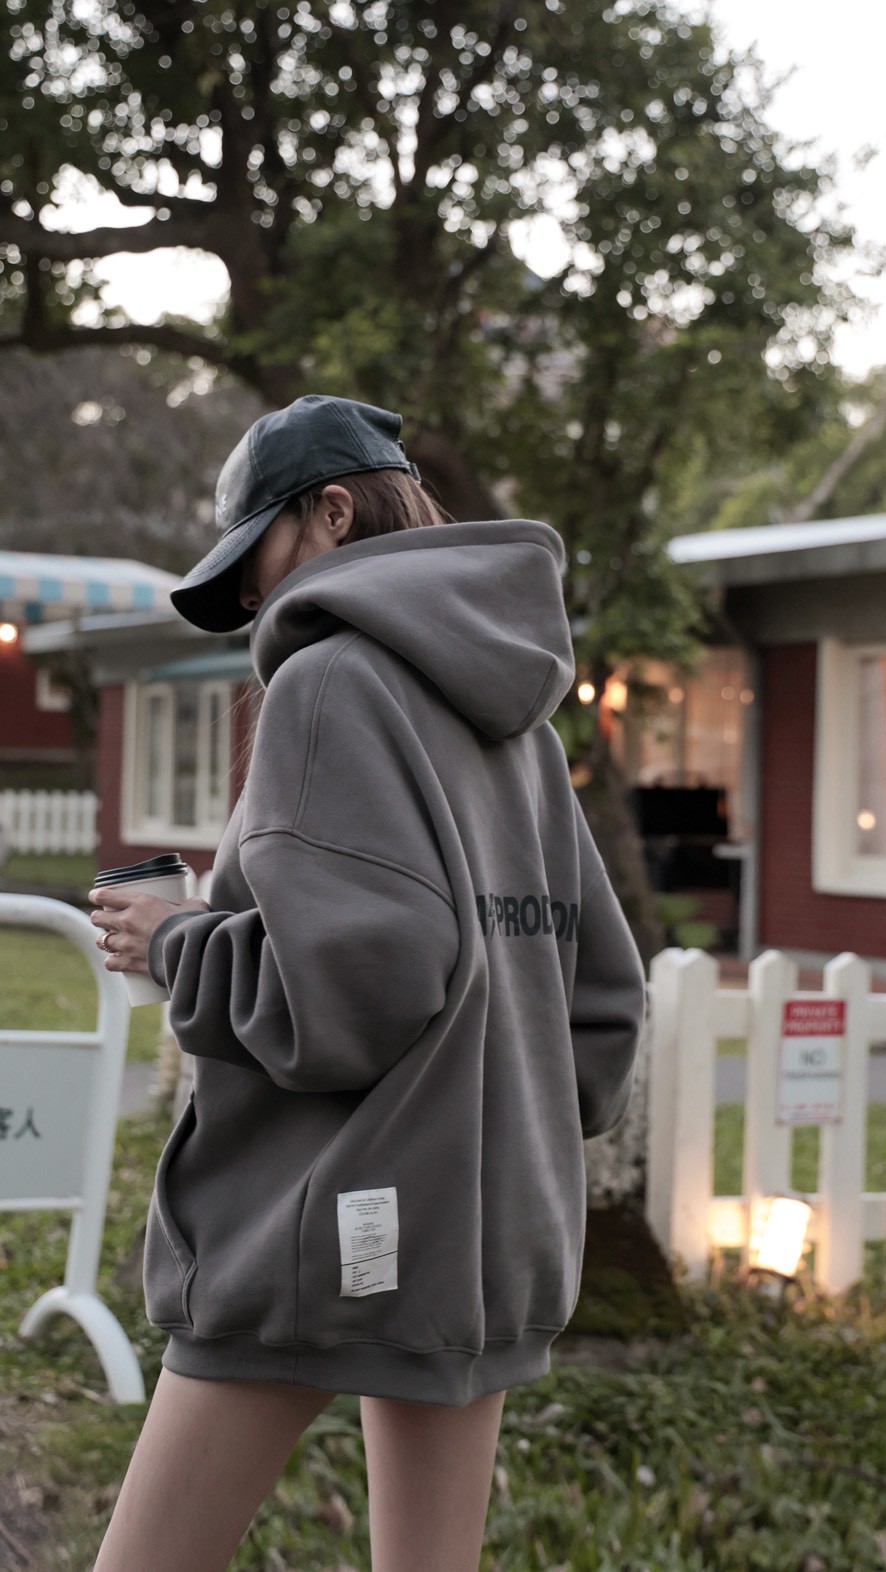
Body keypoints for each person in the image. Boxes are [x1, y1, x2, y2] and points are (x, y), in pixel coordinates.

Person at [89, 395, 646, 1572]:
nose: (252, 598)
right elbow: (599, 999)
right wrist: (506, 1135)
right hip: (484, 1239)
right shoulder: (519, 721)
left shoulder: (329, 680)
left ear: (332, 512)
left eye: (255, 556)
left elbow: (347, 998)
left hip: (310, 1227)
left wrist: (176, 940)